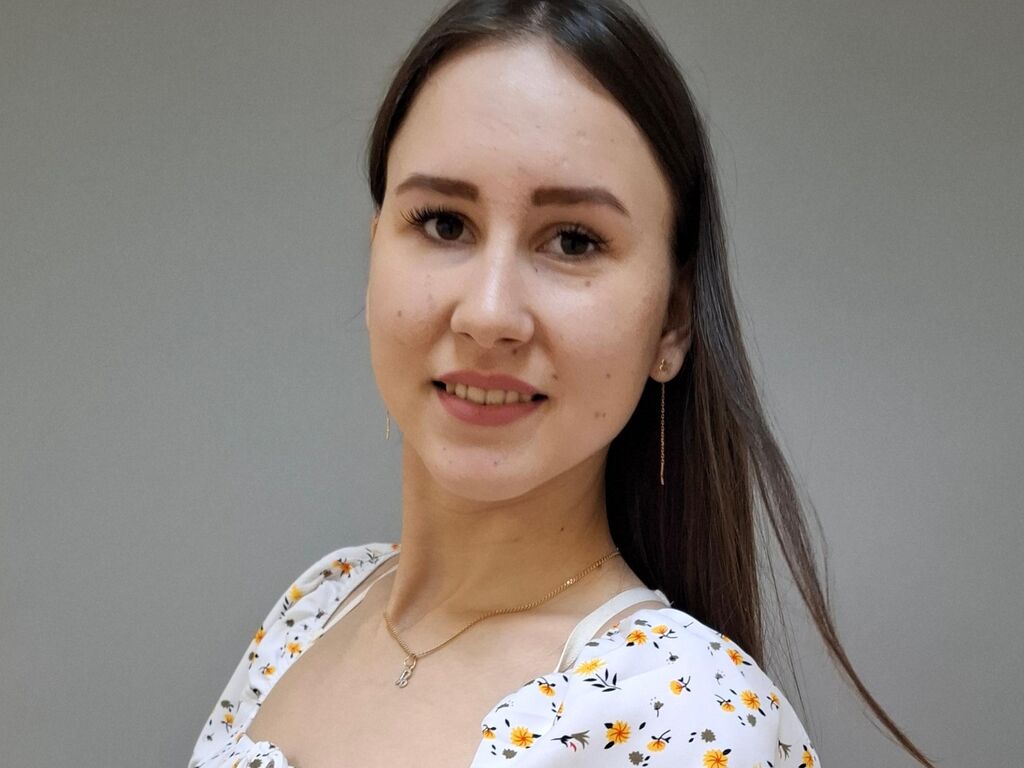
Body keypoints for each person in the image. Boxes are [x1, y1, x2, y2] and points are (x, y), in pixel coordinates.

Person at [190, 2, 933, 766]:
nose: (488, 314)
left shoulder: (692, 715)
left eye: (573, 241)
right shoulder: (317, 606)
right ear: (376, 251)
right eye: (444, 223)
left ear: (672, 321)